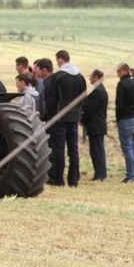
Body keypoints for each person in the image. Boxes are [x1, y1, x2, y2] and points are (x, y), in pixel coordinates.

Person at [43, 50, 86, 187]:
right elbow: (83, 99)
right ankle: (73, 180)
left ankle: (58, 179)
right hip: (74, 118)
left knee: (58, 149)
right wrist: (79, 114)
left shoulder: (58, 77)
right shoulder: (80, 77)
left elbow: (51, 100)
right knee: (73, 150)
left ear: (60, 60)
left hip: (59, 118)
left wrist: (48, 117)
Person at [115, 63, 134, 183]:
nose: (117, 75)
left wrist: (118, 119)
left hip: (126, 119)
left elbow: (119, 104)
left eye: (118, 72)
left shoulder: (122, 84)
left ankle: (130, 175)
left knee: (127, 147)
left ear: (123, 71)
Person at [81, 69, 107, 181]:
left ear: (96, 77)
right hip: (99, 124)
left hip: (95, 125)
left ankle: (100, 174)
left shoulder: (97, 91)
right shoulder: (102, 90)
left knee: (96, 150)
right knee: (99, 149)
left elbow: (90, 109)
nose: (89, 78)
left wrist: (82, 119)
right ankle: (100, 172)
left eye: (91, 76)